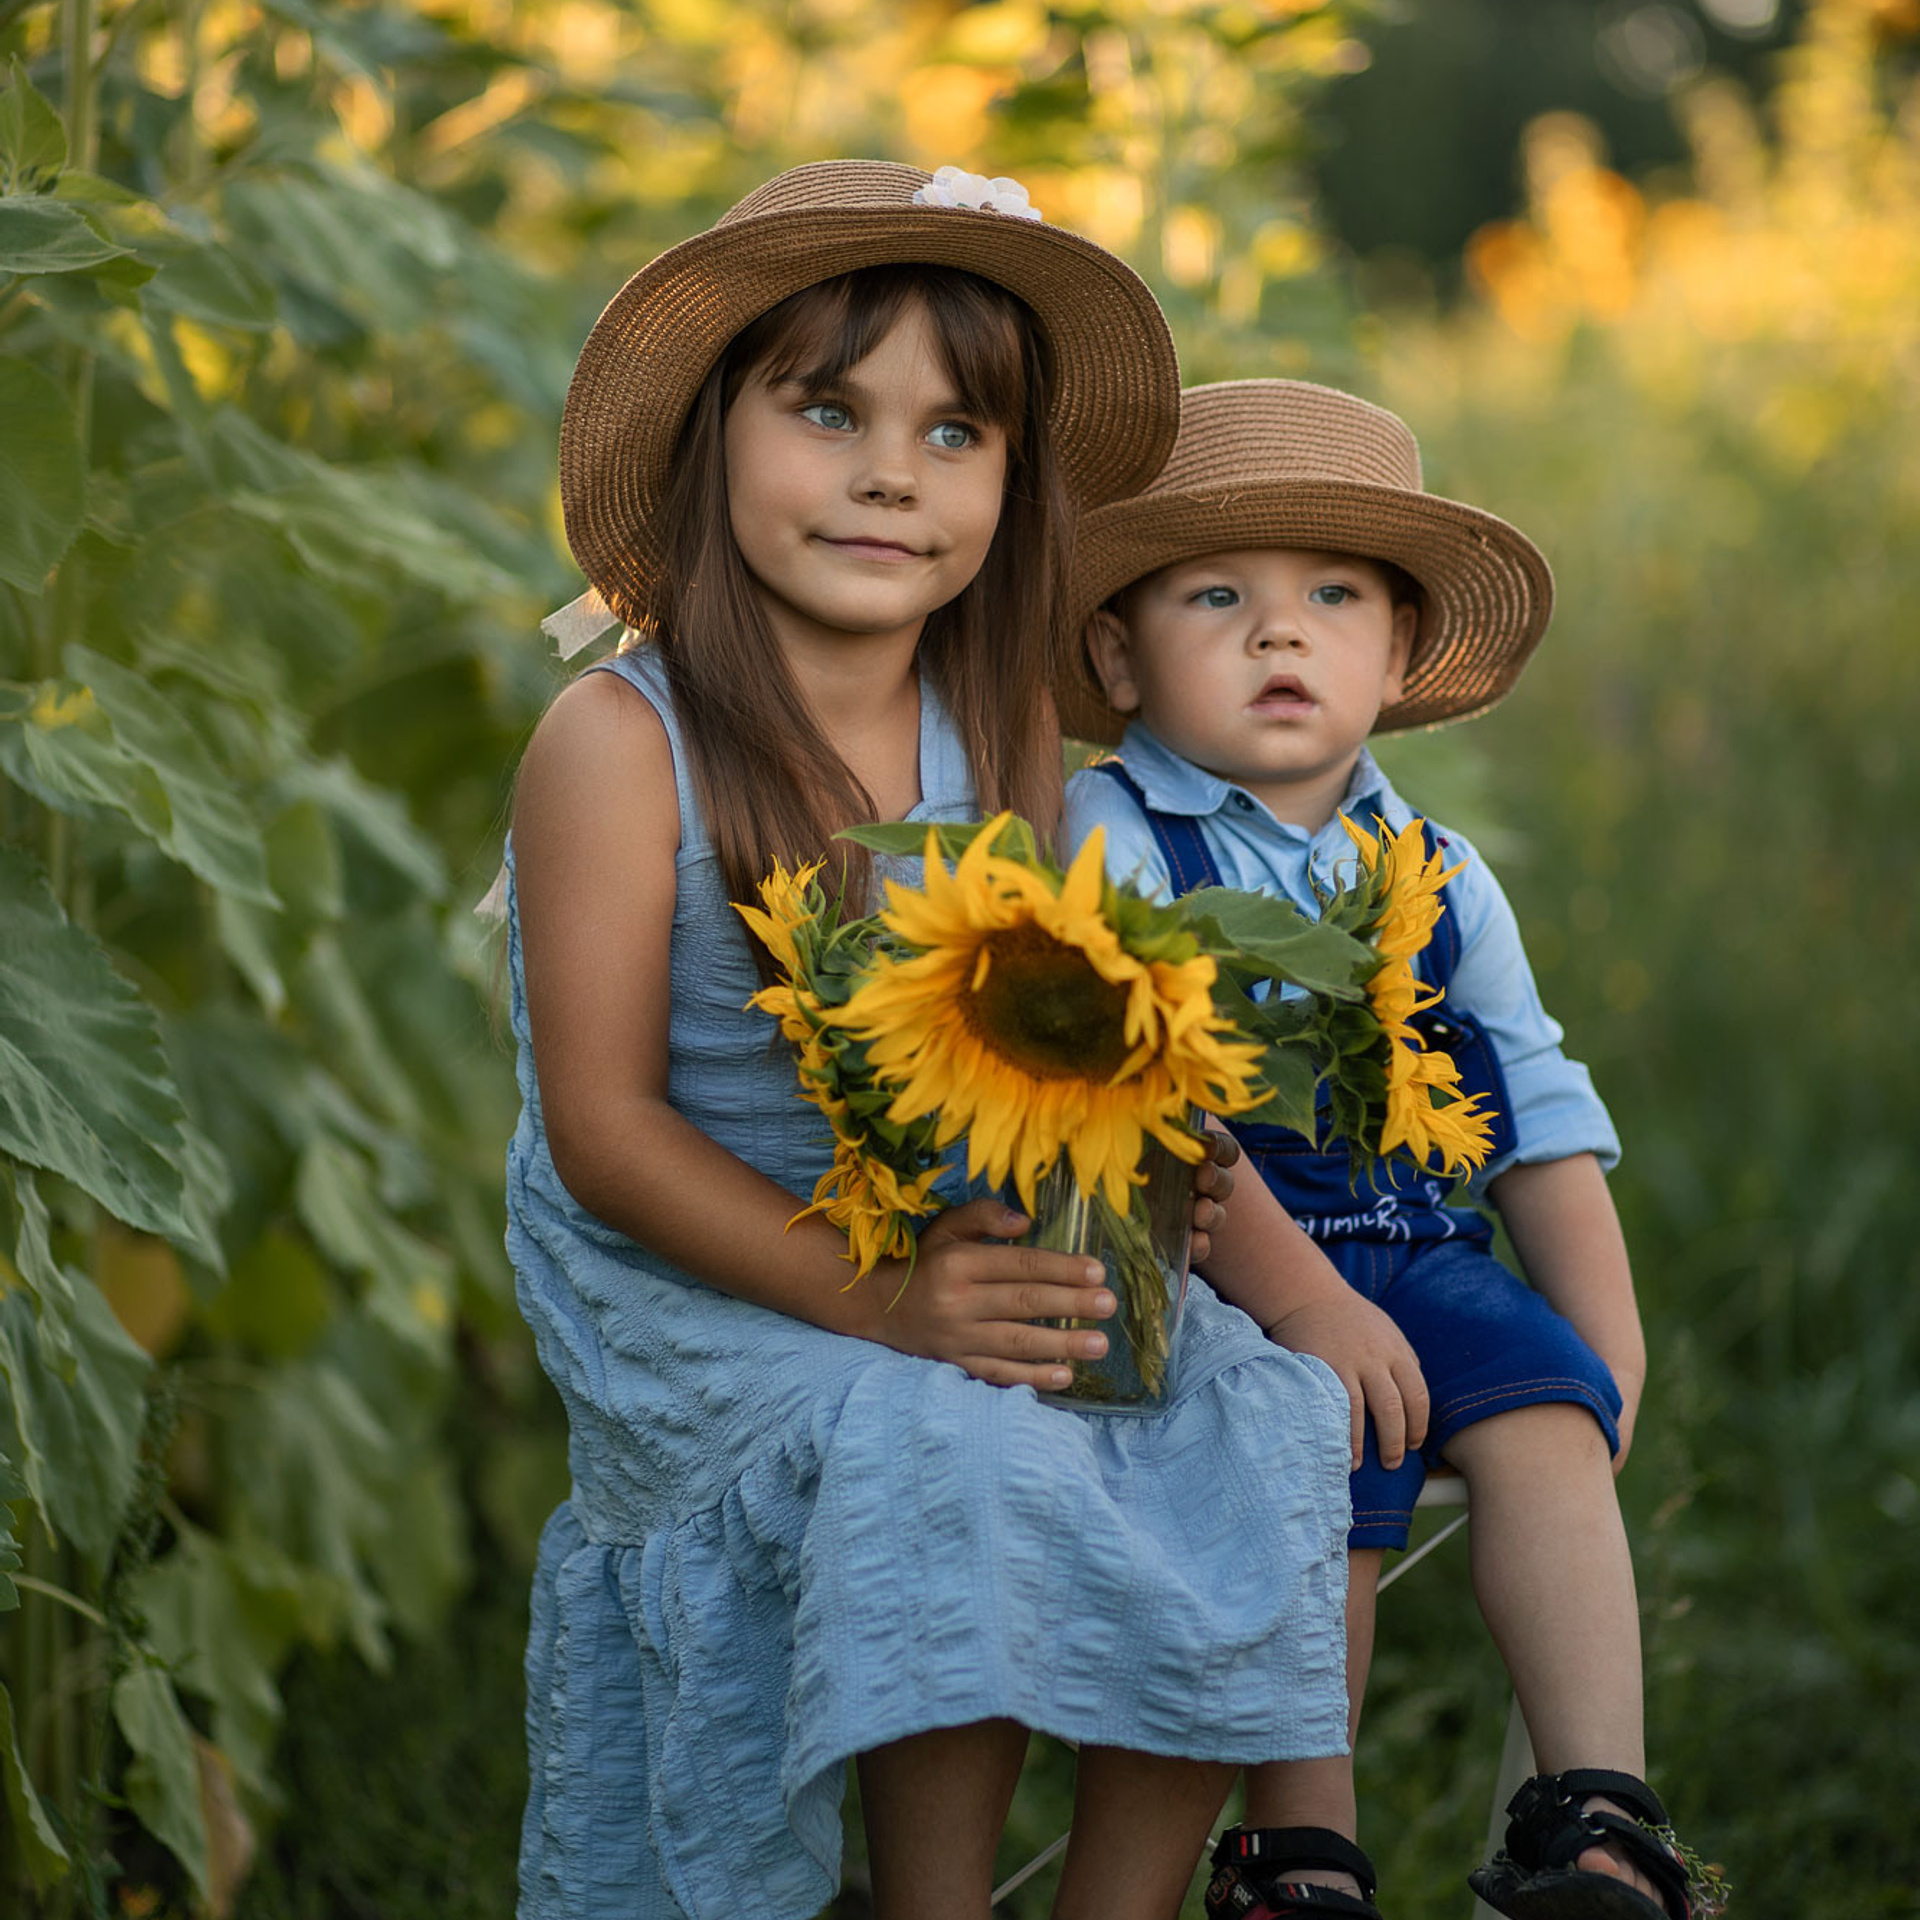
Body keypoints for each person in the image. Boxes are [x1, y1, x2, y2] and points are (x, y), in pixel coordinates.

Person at [507, 166, 1397, 1920]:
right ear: (714, 438)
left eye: (956, 431)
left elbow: (1117, 1082)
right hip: (695, 1265)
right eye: (829, 410)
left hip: (947, 1227)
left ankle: (1120, 1903)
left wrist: (1298, 1293)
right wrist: (894, 1299)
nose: (890, 472)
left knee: (1251, 1411)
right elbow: (603, 1133)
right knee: (958, 1431)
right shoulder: (618, 744)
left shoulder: (993, 742)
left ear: (1015, 489)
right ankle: (935, 1900)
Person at [1060, 380, 1706, 1920]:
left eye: (1332, 598)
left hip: (1422, 1239)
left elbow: (1535, 1109)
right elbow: (1137, 1107)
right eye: (1218, 596)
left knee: (1546, 1412)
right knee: (1314, 1442)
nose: (1280, 636)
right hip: (1216, 1265)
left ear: (1399, 651)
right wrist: (1298, 1302)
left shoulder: (1436, 867)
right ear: (1116, 652)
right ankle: (1304, 1851)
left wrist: (1601, 1347)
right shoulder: (1115, 833)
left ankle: (1599, 1818)